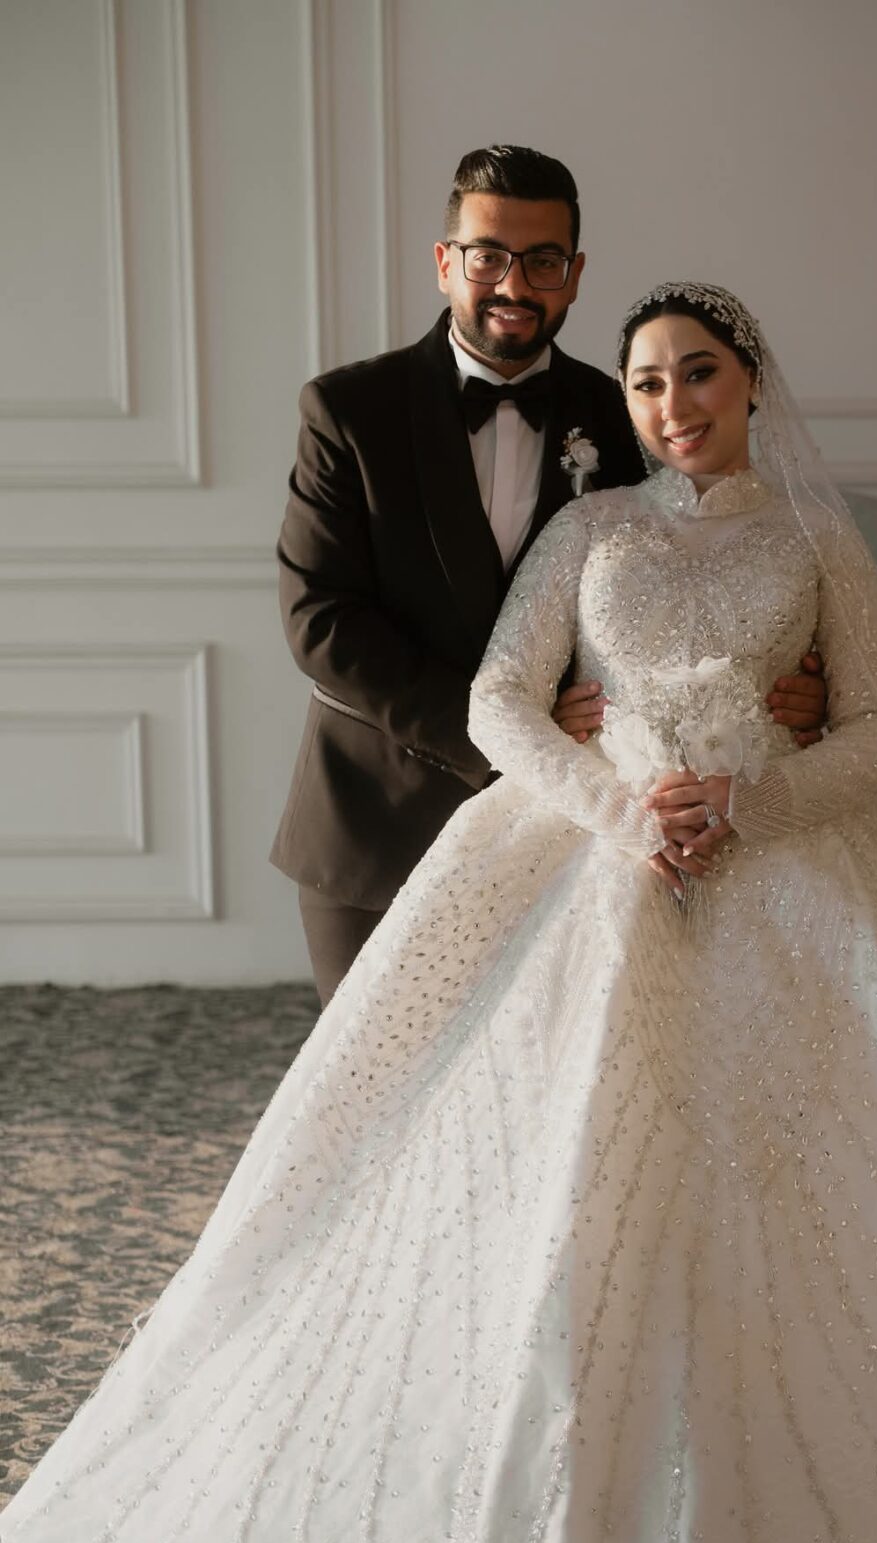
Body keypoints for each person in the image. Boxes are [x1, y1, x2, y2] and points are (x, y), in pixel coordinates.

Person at [0, 282, 877, 1543]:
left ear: (750, 383)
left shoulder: (816, 542)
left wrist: (752, 800)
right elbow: (503, 703)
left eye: (697, 373)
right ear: (620, 402)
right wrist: (624, 810)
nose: (671, 403)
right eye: (643, 382)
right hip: (593, 857)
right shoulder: (586, 530)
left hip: (794, 866)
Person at [269, 144, 826, 1004]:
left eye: (542, 261)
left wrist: (791, 680)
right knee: (378, 1076)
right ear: (445, 262)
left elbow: (692, 581)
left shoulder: (629, 410)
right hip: (378, 814)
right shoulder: (349, 410)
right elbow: (320, 619)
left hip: (574, 836)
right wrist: (502, 726)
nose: (514, 284)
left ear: (574, 274)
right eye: (488, 256)